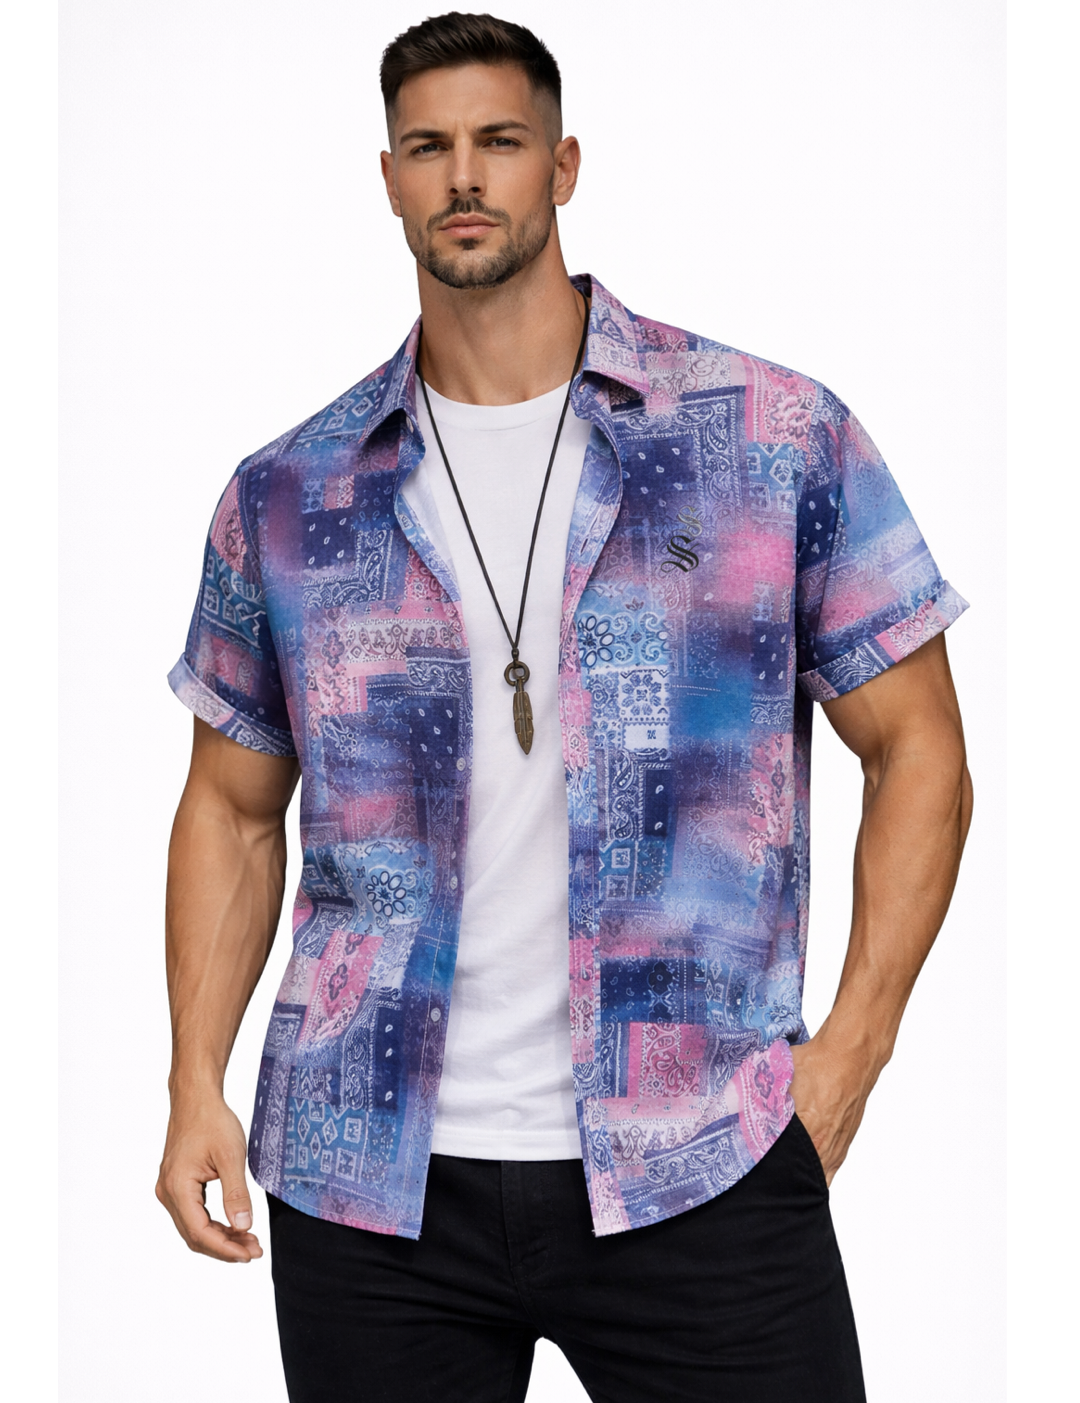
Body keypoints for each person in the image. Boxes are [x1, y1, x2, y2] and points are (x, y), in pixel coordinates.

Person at [156, 12, 972, 1402]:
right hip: (370, 1177)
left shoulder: (767, 435)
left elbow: (921, 754)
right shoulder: (291, 493)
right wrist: (193, 1082)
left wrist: (848, 1055)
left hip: (696, 1151)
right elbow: (230, 811)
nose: (465, 175)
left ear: (564, 165)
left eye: (500, 141)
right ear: (389, 179)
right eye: (429, 147)